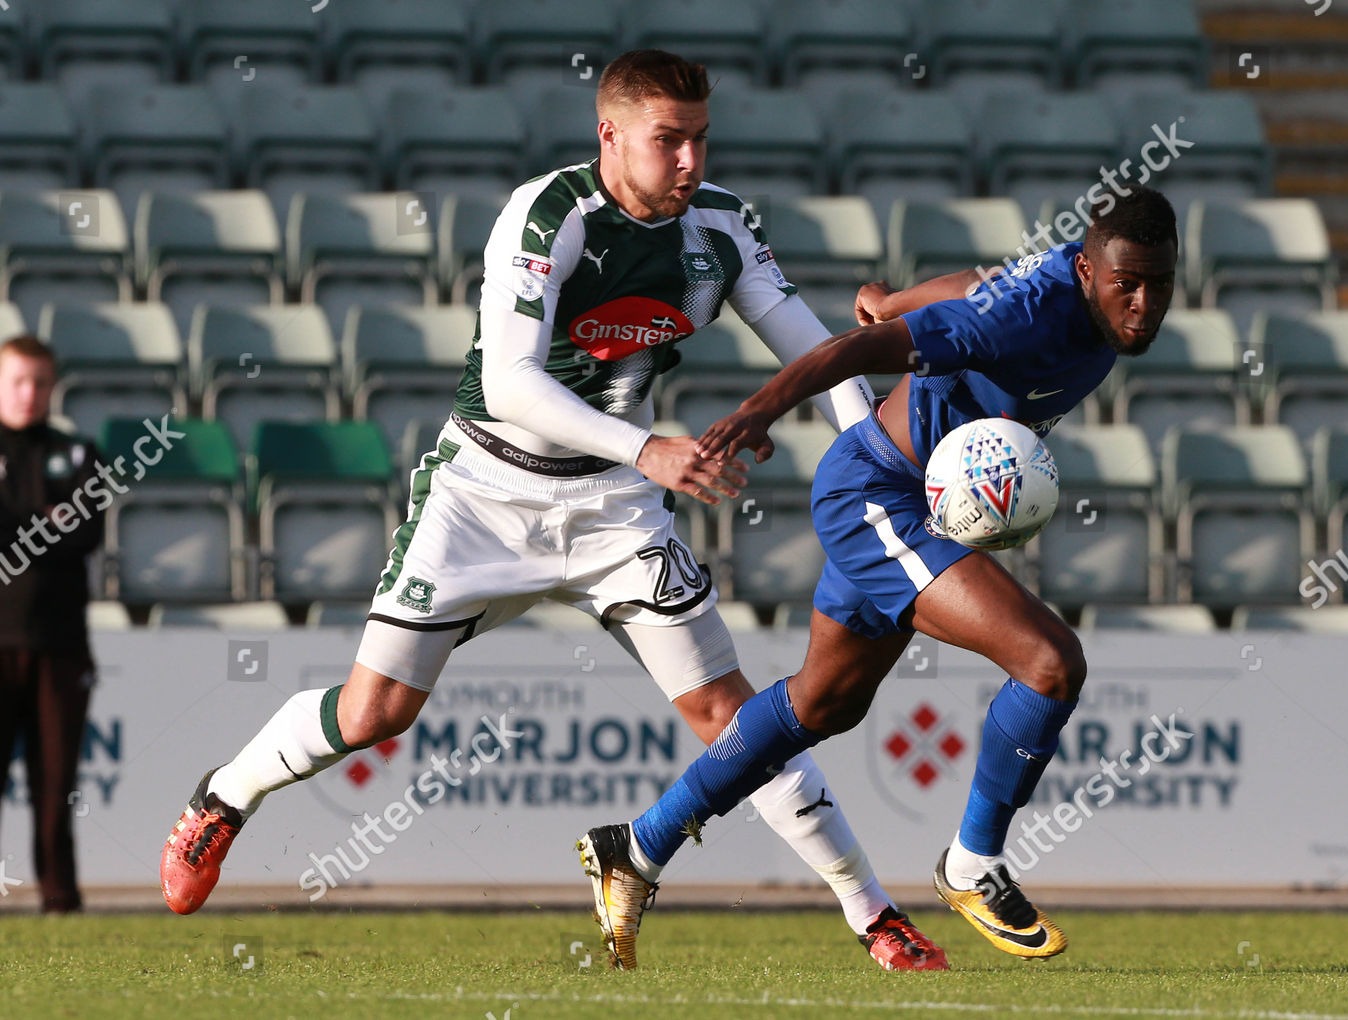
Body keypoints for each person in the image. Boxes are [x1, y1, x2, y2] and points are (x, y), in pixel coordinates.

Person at [160, 48, 947, 973]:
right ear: (609, 135)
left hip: (614, 509)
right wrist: (650, 447)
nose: (690, 161)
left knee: (733, 718)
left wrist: (873, 451)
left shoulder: (722, 227)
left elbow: (819, 354)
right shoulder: (549, 214)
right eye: (668, 141)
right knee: (377, 712)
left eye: (699, 138)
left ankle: (873, 912)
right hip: (485, 490)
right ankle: (223, 798)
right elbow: (512, 383)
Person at [581, 187, 1179, 964]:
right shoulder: (1028, 314)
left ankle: (637, 847)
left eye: (1157, 284)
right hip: (878, 495)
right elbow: (855, 352)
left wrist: (891, 296)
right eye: (1124, 283)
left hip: (910, 508)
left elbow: (971, 279)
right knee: (1049, 662)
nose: (1141, 304)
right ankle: (973, 866)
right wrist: (761, 411)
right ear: (1086, 268)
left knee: (822, 704)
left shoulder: (1056, 294)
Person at [0, 335, 106, 913]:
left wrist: (23, 520)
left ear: (53, 386)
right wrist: (47, 518)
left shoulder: (77, 450)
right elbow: (53, 526)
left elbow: (87, 532)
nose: (29, 393)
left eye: (39, 382)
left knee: (55, 782)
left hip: (62, 646)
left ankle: (60, 899)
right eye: (17, 380)